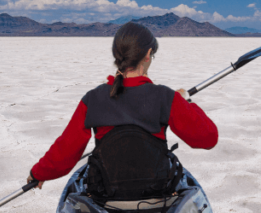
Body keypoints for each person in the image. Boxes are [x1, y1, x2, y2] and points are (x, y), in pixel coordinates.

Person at [27, 22, 218, 198]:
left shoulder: (93, 99)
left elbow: (66, 150)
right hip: (156, 193)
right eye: (153, 56)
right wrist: (186, 102)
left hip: (107, 194)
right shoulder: (166, 97)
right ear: (147, 54)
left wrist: (38, 173)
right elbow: (208, 138)